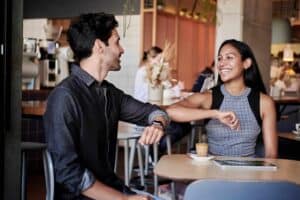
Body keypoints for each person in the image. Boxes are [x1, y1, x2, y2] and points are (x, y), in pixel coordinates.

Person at [43, 13, 170, 200]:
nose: (122, 50)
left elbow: (155, 112)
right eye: (117, 42)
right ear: (99, 46)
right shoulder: (64, 97)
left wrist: (157, 124)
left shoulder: (110, 93)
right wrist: (124, 199)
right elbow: (69, 174)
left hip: (113, 188)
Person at [166, 39, 278, 158]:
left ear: (246, 63)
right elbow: (171, 111)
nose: (221, 63)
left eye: (229, 57)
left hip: (248, 172)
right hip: (213, 171)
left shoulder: (264, 102)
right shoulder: (208, 97)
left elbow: (271, 154)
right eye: (220, 58)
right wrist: (214, 114)